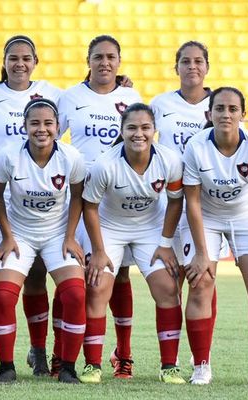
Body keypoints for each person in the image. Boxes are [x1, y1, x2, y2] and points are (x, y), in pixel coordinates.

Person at [57, 34, 142, 382]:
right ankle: (61, 355)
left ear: (119, 62)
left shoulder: (131, 97)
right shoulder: (71, 97)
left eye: (111, 57)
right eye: (98, 57)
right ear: (88, 60)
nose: (105, 62)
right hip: (81, 201)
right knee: (74, 278)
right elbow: (45, 136)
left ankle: (123, 354)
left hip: (119, 203)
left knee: (118, 275)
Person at [182, 87, 248, 386]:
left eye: (232, 109)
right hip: (206, 217)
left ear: (242, 114)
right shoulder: (196, 146)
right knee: (200, 282)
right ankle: (201, 367)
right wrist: (201, 253)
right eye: (220, 108)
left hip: (244, 216)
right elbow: (193, 203)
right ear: (209, 114)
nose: (226, 114)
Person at [82, 103, 185, 384]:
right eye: (131, 128)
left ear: (155, 131)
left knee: (167, 288)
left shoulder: (170, 160)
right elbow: (89, 207)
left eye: (145, 128)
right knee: (97, 288)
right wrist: (100, 251)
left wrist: (165, 243)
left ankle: (169, 367)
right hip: (110, 229)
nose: (138, 134)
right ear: (122, 130)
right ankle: (92, 364)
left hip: (150, 230)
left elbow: (176, 202)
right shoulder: (105, 164)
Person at [0, 35, 62, 376]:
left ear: (35, 61)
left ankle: (38, 351)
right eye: (13, 57)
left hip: (36, 202)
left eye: (26, 58)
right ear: (4, 60)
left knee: (37, 278)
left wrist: (121, 84)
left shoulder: (53, 94)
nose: (19, 63)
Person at [0, 98, 86, 384]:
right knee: (5, 295)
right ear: (25, 126)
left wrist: (70, 236)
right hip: (19, 235)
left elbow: (78, 197)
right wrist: (7, 236)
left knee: (76, 295)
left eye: (47, 123)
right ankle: (6, 367)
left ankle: (67, 368)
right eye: (34, 123)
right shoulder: (8, 157)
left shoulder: (71, 157)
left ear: (58, 127)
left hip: (57, 235)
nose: (41, 129)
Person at [150, 41, 219, 363]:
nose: (192, 67)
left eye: (198, 61)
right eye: (186, 61)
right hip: (169, 202)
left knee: (203, 277)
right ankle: (171, 359)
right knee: (170, 281)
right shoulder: (160, 104)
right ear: (175, 67)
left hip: (205, 206)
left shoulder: (220, 104)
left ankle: (198, 356)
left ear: (207, 67)